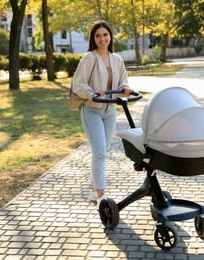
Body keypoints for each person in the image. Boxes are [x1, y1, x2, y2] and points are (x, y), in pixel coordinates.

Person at [72, 20, 133, 208]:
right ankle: (101, 196)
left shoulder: (117, 59)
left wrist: (125, 88)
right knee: (99, 153)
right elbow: (79, 84)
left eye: (105, 35)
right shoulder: (89, 58)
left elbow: (123, 80)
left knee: (102, 152)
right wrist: (92, 93)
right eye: (98, 36)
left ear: (110, 36)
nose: (102, 39)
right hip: (92, 110)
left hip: (110, 110)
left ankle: (93, 190)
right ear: (93, 38)